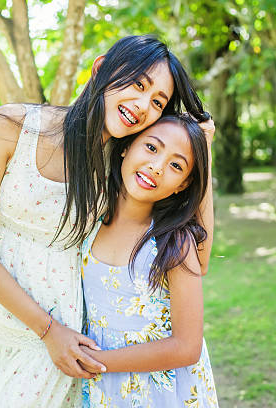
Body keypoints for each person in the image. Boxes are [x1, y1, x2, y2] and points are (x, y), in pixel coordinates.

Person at [0, 35, 215, 407]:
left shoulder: (121, 168)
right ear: (100, 68)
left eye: (157, 102)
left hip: (62, 339)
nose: (142, 105)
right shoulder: (10, 127)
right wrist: (47, 330)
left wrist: (204, 152)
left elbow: (196, 257)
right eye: (138, 84)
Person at [79, 115, 218, 407]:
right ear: (126, 146)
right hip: (101, 390)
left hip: (160, 393)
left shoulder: (174, 243)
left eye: (176, 165)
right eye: (152, 148)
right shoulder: (88, 220)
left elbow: (187, 347)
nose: (157, 167)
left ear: (183, 184)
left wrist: (100, 361)